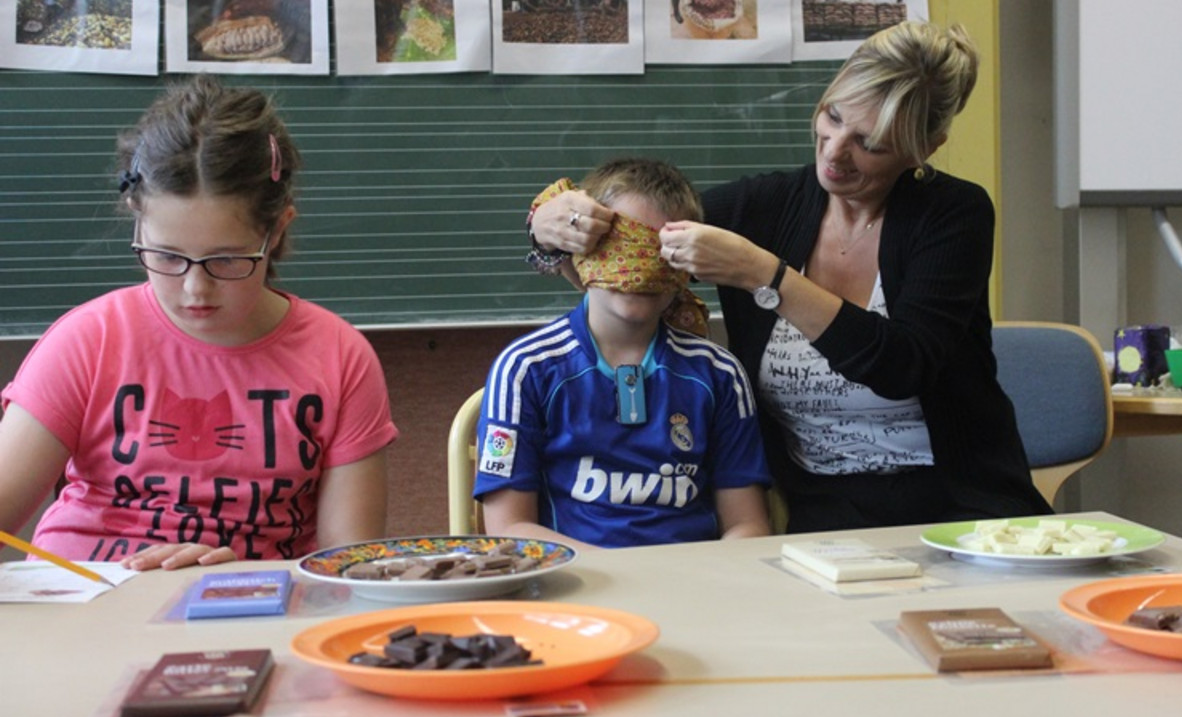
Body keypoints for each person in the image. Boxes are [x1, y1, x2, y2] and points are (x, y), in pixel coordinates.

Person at [526, 22, 1053, 533]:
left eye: (870, 143)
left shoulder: (953, 214)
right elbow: (631, 250)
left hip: (965, 509)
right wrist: (548, 229)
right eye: (832, 116)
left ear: (925, 148)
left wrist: (765, 274)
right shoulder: (760, 208)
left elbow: (901, 367)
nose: (834, 151)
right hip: (824, 513)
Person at [0, 75, 399, 570]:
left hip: (249, 605)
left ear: (276, 232)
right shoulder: (90, 340)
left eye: (227, 260)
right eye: (166, 256)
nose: (195, 289)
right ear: (136, 218)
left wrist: (234, 578)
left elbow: (344, 566)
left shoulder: (338, 356)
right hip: (86, 598)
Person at [476, 157, 772, 549]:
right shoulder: (527, 370)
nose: (639, 271)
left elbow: (747, 525)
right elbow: (508, 527)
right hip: (576, 587)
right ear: (581, 247)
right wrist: (620, 576)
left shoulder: (717, 374)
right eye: (622, 247)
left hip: (690, 586)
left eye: (657, 251)